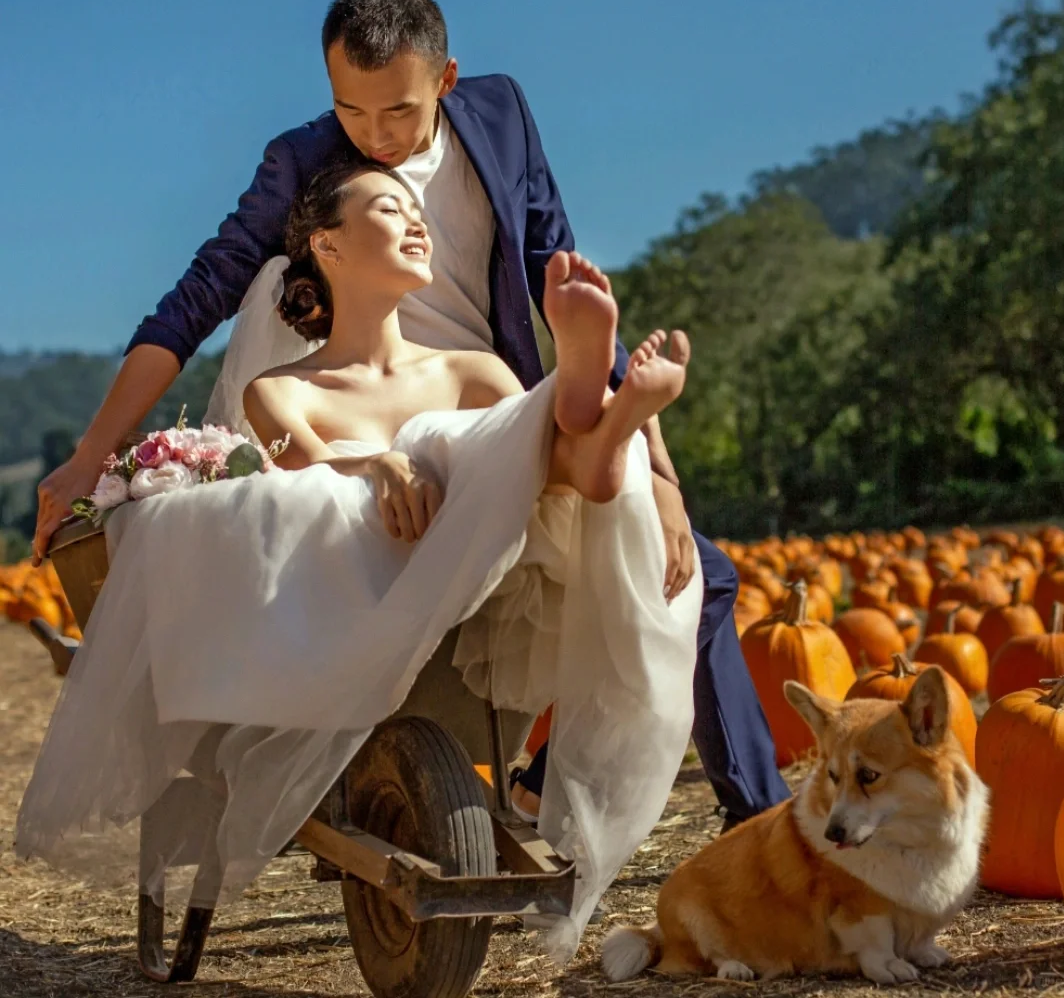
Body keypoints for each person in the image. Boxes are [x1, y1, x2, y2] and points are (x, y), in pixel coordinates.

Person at [31, 0, 789, 825]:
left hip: (479, 395)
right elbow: (193, 301)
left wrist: (664, 475)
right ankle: (669, 799)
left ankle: (718, 811)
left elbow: (560, 274)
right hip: (365, 415)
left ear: (447, 79)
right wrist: (95, 451)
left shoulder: (502, 121)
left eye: (396, 111)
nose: (375, 137)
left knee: (697, 571)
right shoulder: (305, 161)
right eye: (351, 112)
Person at [16, 157, 704, 963]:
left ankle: (593, 414)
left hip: (489, 565)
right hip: (350, 610)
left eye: (419, 212)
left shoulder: (469, 369)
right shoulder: (279, 391)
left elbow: (526, 480)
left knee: (491, 444)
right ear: (327, 247)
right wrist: (373, 463)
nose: (418, 222)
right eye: (388, 207)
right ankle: (586, 407)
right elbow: (297, 466)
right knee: (441, 444)